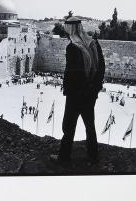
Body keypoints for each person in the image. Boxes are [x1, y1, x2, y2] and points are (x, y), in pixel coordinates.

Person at [50, 16, 105, 165]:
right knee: (90, 125)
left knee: (68, 127)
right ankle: (93, 157)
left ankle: (64, 157)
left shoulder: (73, 47)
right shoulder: (94, 43)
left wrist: (68, 91)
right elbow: (101, 67)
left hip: (76, 95)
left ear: (70, 28)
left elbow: (72, 73)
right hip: (90, 93)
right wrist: (95, 88)